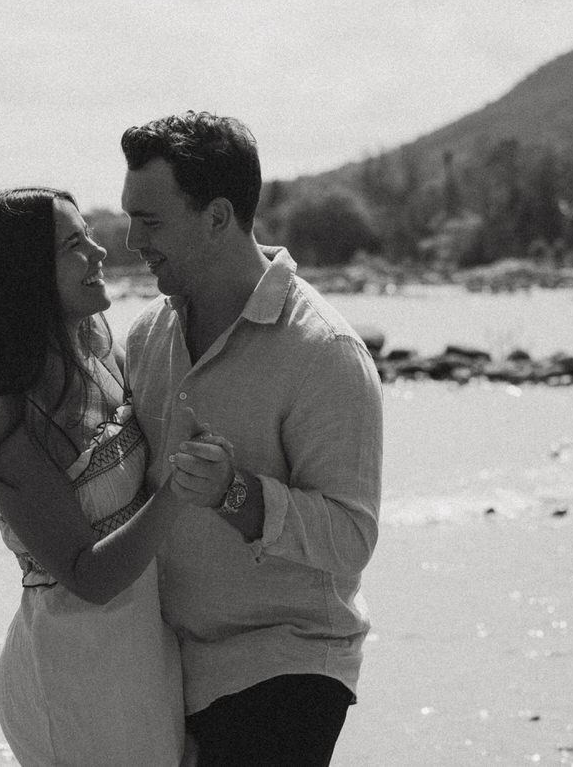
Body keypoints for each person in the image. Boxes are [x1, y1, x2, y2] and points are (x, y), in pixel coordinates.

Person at [120, 113, 384, 767]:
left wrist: (236, 494)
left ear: (216, 217)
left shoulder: (325, 350)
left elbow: (352, 539)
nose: (131, 239)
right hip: (171, 673)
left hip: (287, 666)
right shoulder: (145, 336)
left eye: (150, 221)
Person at [0, 186, 224, 767]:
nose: (100, 253)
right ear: (24, 276)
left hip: (141, 660)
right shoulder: (4, 418)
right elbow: (89, 576)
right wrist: (178, 487)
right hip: (71, 674)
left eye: (89, 237)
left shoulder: (105, 356)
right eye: (75, 245)